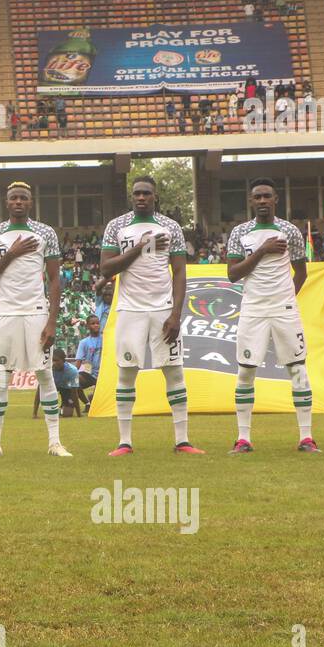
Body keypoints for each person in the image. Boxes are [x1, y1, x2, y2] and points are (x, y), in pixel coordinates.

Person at [100, 176, 203, 457]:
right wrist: (141, 247)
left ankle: (182, 441)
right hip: (129, 309)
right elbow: (106, 268)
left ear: (155, 196)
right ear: (131, 197)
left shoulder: (171, 227)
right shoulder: (116, 226)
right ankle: (124, 442)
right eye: (137, 193)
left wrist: (176, 313)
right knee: (126, 372)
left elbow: (179, 272)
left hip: (163, 309)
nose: (141, 197)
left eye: (146, 193)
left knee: (174, 371)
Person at [0, 181, 70, 459]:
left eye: (23, 198)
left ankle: (55, 442)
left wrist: (52, 321)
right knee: (1, 378)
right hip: (5, 312)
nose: (18, 202)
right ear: (7, 203)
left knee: (45, 374)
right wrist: (11, 255)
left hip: (36, 312)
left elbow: (54, 279)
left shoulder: (45, 233)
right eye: (13, 198)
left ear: (31, 202)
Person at [225, 179, 319, 453]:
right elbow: (233, 274)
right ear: (251, 201)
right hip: (253, 309)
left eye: (267, 196)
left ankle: (306, 438)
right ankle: (243, 438)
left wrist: (287, 299)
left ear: (276, 199)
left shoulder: (289, 231)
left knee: (298, 369)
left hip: (283, 310)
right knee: (246, 371)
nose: (262, 201)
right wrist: (262, 250)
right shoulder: (240, 232)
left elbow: (301, 272)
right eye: (258, 197)